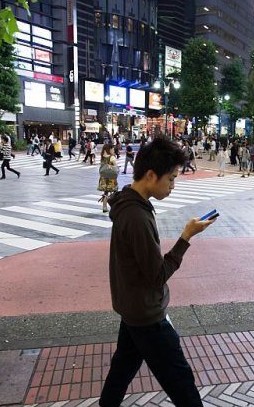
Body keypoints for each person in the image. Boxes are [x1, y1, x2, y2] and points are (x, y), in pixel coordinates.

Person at [99, 138, 215, 406]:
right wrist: (186, 237)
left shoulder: (128, 204)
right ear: (151, 175)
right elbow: (157, 275)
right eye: (171, 179)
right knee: (182, 383)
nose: (173, 186)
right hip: (148, 316)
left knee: (121, 372)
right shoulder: (137, 216)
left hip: (133, 309)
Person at [98, 144, 119, 212]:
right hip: (111, 178)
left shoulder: (103, 156)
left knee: (106, 192)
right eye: (112, 149)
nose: (113, 150)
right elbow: (115, 166)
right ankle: (115, 206)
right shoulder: (112, 157)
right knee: (115, 192)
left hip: (104, 178)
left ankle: (104, 207)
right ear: (109, 150)